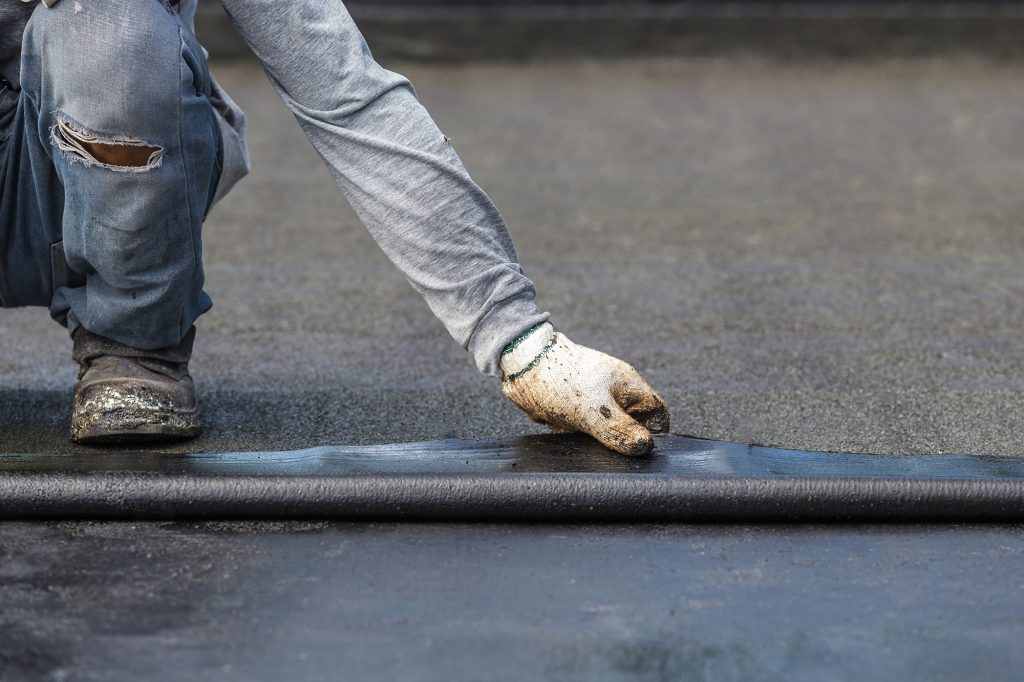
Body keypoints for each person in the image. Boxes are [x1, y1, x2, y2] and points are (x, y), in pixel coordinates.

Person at [0, 0, 669, 456]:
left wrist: (521, 343)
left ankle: (131, 347)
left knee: (109, 25)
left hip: (77, 190)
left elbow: (348, 98)